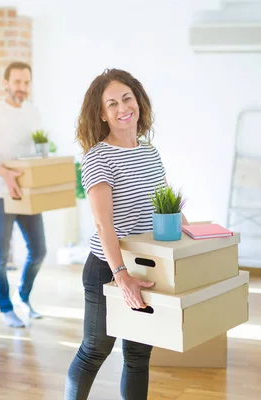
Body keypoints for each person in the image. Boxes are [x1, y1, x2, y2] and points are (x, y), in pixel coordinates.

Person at [64, 68, 189, 400]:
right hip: (108, 268)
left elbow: (166, 207)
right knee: (94, 351)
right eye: (112, 104)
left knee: (138, 357)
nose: (122, 108)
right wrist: (121, 276)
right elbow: (104, 224)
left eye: (127, 98)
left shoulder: (149, 152)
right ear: (102, 115)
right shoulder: (97, 158)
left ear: (138, 101)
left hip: (145, 265)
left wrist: (197, 238)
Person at [0, 61, 47, 328]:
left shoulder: (33, 112)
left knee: (39, 251)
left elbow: (32, 150)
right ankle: (6, 308)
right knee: (0, 257)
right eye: (17, 82)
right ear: (5, 83)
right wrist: (4, 173)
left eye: (26, 82)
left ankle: (22, 297)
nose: (22, 88)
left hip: (26, 195)